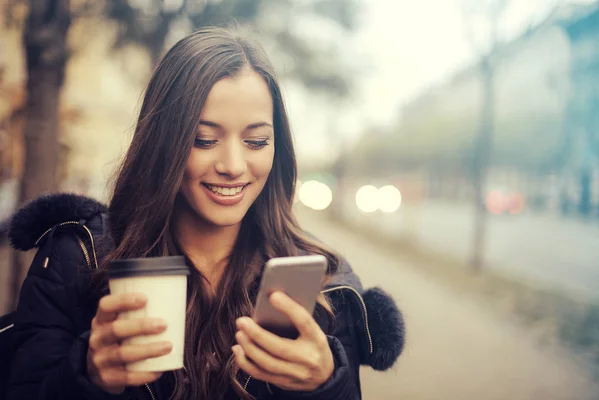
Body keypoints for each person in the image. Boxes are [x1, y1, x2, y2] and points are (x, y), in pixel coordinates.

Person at [6, 27, 404, 400]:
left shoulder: (329, 285)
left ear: (276, 148)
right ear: (163, 141)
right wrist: (85, 374)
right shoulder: (77, 258)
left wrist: (327, 384)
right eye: (204, 139)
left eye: (256, 140)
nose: (232, 164)